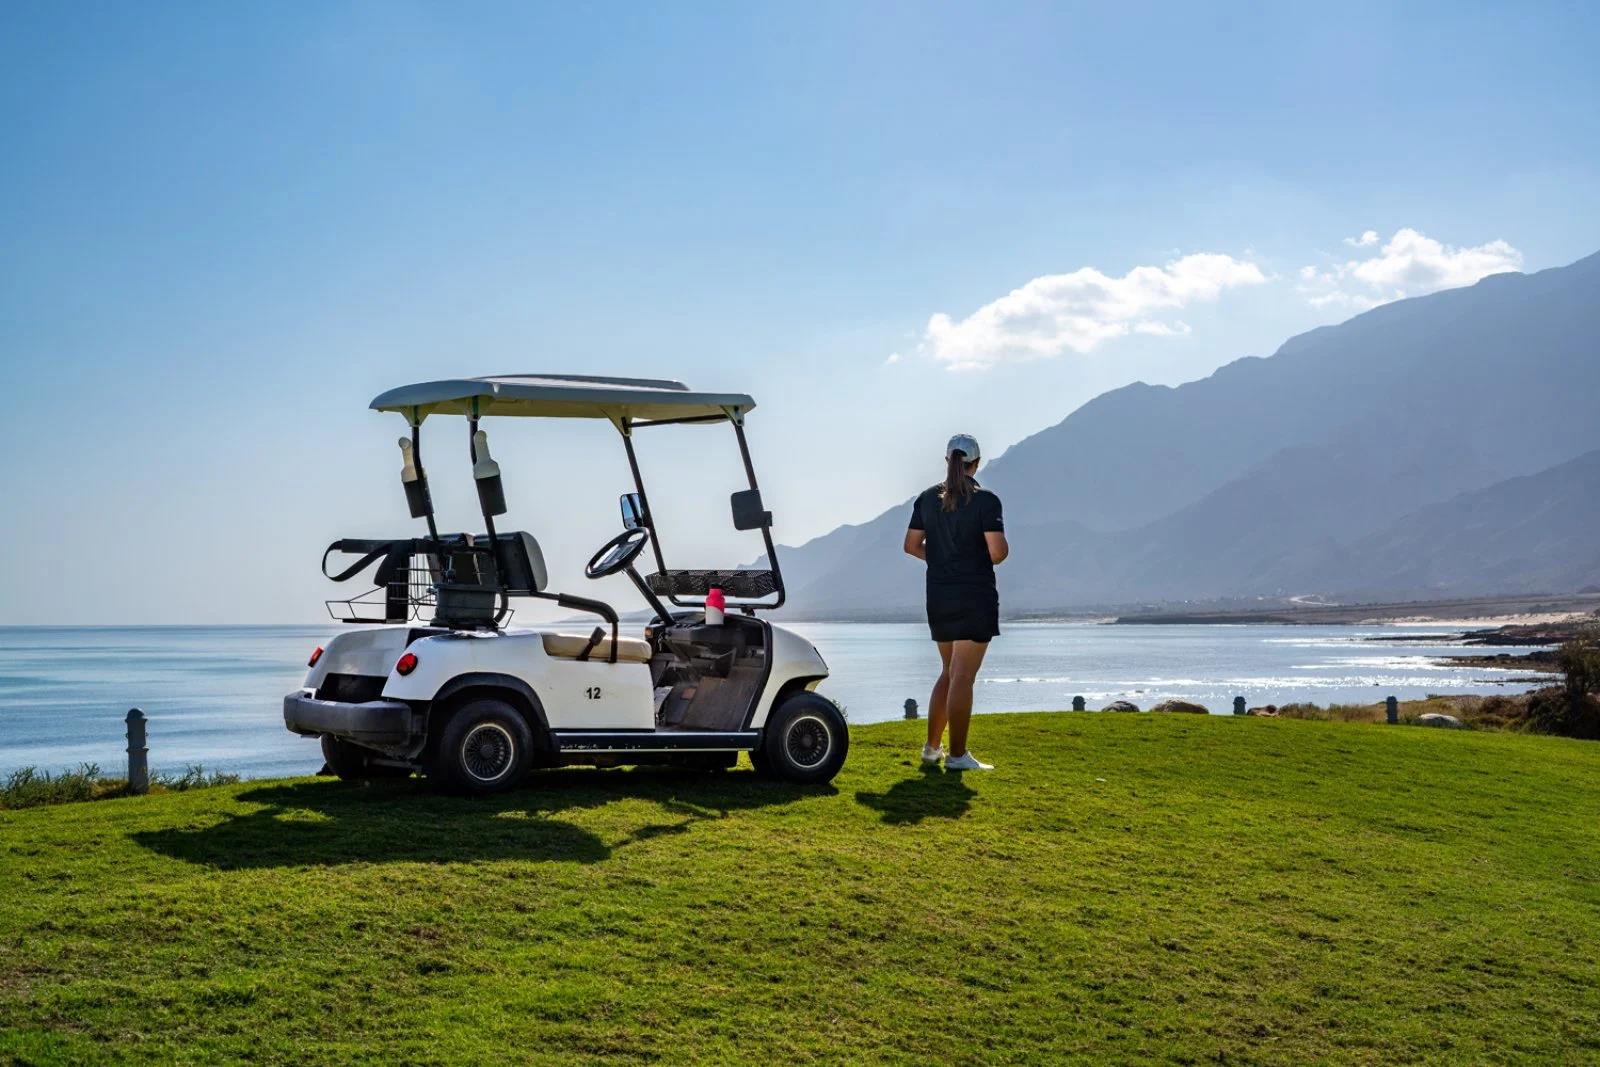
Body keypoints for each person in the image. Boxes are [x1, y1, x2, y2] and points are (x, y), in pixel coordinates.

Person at [903, 433, 1009, 770]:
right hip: (974, 596)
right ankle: (958, 756)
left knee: (949, 672)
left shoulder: (926, 499)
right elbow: (997, 552)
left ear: (948, 460)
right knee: (963, 677)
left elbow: (911, 546)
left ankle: (932, 749)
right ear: (976, 464)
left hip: (939, 595)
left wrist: (942, 559)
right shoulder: (986, 501)